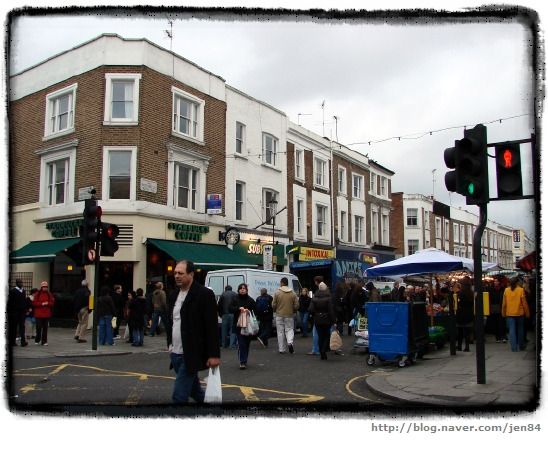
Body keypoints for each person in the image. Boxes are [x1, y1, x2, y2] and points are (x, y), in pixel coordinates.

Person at [166, 260, 220, 404]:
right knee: (195, 391)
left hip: (191, 352)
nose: (177, 276)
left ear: (191, 274)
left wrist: (214, 354)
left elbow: (211, 326)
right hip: (175, 353)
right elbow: (171, 322)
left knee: (179, 395)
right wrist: (170, 345)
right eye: (175, 273)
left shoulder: (204, 294)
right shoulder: (173, 296)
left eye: (180, 273)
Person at [228, 283, 257, 369]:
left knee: (247, 343)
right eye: (240, 288)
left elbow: (255, 310)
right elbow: (230, 309)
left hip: (248, 326)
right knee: (241, 344)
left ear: (247, 290)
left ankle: (244, 358)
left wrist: (249, 311)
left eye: (244, 288)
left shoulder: (250, 300)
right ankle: (242, 361)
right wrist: (238, 308)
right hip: (238, 325)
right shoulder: (235, 299)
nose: (242, 290)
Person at [308, 282, 336, 360]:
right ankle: (324, 349)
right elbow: (331, 311)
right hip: (326, 319)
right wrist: (334, 321)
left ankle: (321, 351)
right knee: (327, 335)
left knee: (320, 336)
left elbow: (310, 309)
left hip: (317, 319)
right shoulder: (328, 298)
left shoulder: (314, 298)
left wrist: (313, 314)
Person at [502, 277, 530, 352]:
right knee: (520, 329)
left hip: (510, 312)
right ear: (517, 282)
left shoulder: (506, 290)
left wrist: (503, 313)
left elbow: (504, 304)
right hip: (519, 312)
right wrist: (527, 313)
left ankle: (514, 347)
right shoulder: (520, 290)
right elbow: (524, 303)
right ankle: (521, 345)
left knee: (512, 329)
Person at [272, 277, 299, 354]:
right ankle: (290, 342)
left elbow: (273, 304)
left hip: (279, 314)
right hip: (289, 314)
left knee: (280, 331)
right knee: (289, 329)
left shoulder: (277, 293)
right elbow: (296, 305)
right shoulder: (293, 293)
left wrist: (275, 310)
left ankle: (282, 349)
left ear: (282, 283)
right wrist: (293, 310)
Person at [8, 278, 30, 347]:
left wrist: (26, 309)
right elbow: (10, 302)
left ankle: (23, 342)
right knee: (14, 326)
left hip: (22, 311)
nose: (21, 283)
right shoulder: (13, 291)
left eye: (21, 282)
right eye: (19, 282)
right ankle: (12, 341)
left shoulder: (23, 291)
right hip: (15, 311)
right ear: (16, 283)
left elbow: (24, 300)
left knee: (22, 326)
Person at [32, 281, 55, 346]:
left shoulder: (49, 294)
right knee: (38, 327)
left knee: (45, 328)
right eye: (44, 287)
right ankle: (37, 339)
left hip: (46, 313)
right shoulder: (37, 294)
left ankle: (44, 341)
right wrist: (41, 303)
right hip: (38, 314)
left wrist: (48, 303)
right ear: (41, 287)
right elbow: (34, 303)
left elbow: (52, 302)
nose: (45, 288)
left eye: (46, 287)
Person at [455, 277, 474, 352]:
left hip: (461, 312)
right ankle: (467, 346)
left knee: (460, 330)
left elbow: (458, 302)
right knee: (467, 331)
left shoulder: (460, 293)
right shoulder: (471, 293)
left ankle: (459, 345)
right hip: (468, 312)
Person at [487, 278, 508, 343]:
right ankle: (497, 337)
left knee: (502, 323)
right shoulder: (491, 289)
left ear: (499, 282)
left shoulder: (503, 289)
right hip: (493, 308)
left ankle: (503, 336)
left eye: (497, 281)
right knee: (495, 323)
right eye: (495, 281)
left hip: (501, 307)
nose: (495, 282)